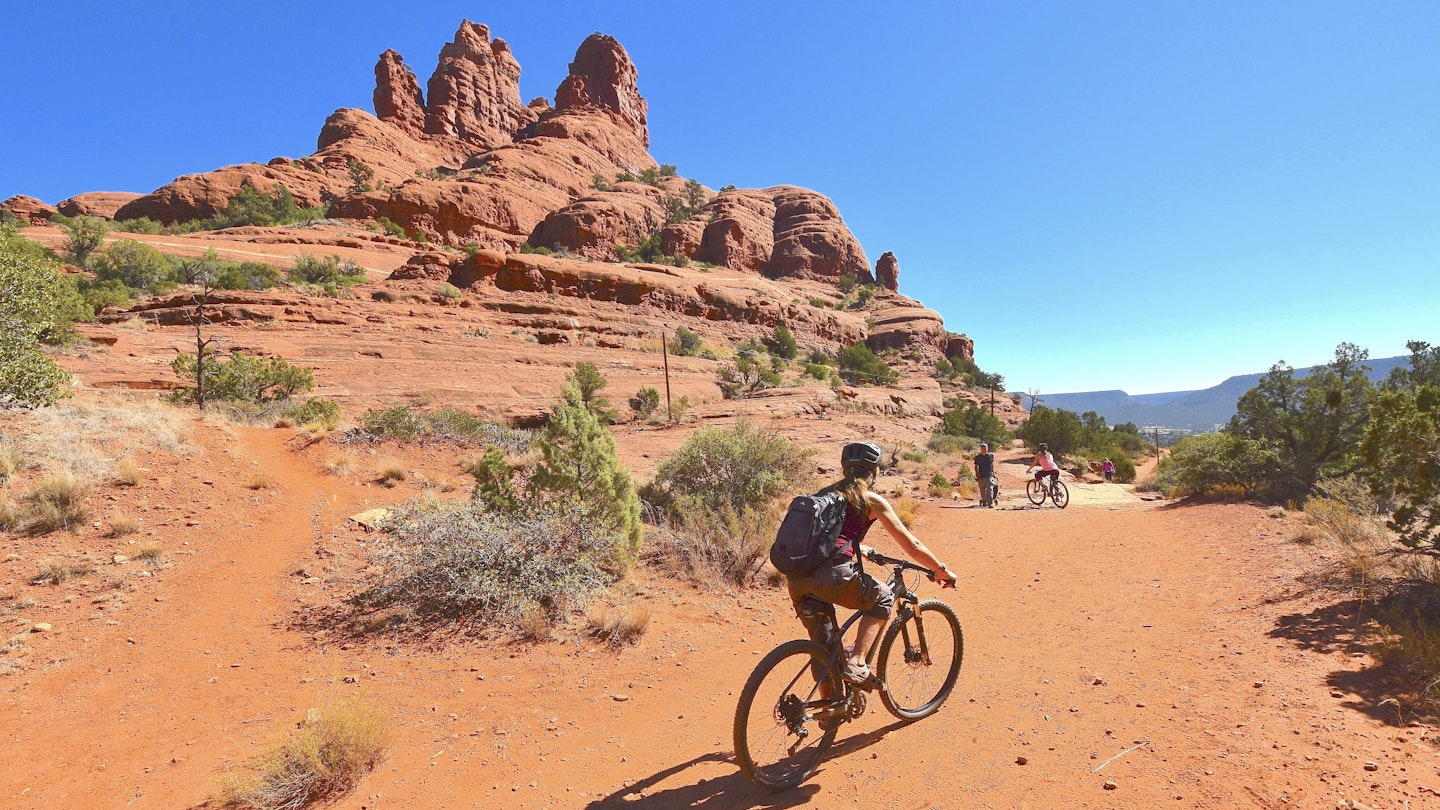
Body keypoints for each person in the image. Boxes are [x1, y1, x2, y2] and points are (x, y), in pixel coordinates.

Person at [786, 441, 957, 684]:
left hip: (797, 581)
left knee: (825, 650)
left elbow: (826, 537)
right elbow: (913, 547)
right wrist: (940, 570)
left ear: (844, 469)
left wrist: (858, 548)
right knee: (884, 596)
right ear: (875, 473)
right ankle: (857, 662)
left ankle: (827, 712)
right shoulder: (870, 500)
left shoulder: (824, 495)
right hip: (832, 578)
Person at [973, 442, 997, 508]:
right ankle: (984, 501)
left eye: (985, 449)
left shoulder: (991, 456)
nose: (984, 450)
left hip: (989, 475)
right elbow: (976, 466)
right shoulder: (978, 457)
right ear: (980, 449)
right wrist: (977, 474)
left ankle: (990, 503)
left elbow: (992, 465)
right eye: (983, 449)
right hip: (981, 475)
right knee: (982, 490)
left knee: (990, 489)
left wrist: (993, 474)